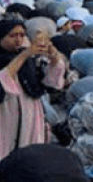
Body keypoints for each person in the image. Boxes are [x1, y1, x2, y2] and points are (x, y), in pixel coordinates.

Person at [0, 18, 68, 159]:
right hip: (6, 114)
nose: (18, 40)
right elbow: (4, 79)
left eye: (21, 35)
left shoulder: (29, 60)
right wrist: (24, 55)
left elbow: (48, 82)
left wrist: (53, 56)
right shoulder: (20, 57)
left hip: (30, 113)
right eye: (12, 36)